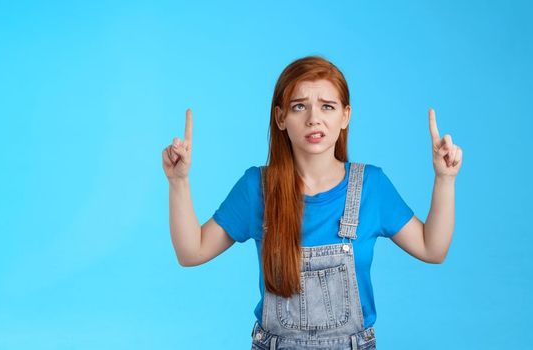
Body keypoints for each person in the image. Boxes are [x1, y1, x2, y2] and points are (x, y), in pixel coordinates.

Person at [161, 56, 462, 350]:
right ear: (281, 118)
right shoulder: (257, 188)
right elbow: (191, 252)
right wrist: (178, 182)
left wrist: (445, 179)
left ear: (345, 116)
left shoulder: (372, 186)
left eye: (327, 106)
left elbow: (432, 249)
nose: (313, 118)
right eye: (299, 106)